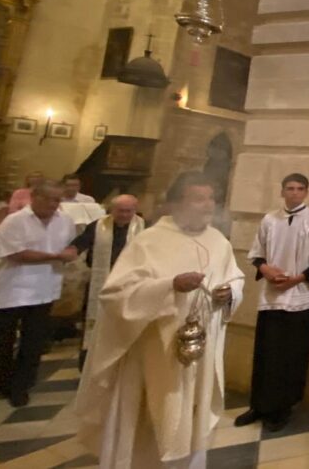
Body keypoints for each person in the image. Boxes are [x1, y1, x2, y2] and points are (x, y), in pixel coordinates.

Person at [76, 172, 243, 469]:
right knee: (151, 420)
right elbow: (115, 294)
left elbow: (235, 278)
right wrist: (170, 286)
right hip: (153, 350)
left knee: (191, 416)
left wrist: (230, 293)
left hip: (199, 351)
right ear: (176, 203)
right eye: (199, 198)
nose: (208, 205)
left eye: (211, 198)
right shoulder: (149, 241)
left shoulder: (219, 242)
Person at [234, 173, 309, 432]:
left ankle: (282, 409)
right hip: (272, 297)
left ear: (306, 192)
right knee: (265, 352)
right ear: (282, 192)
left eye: (299, 188)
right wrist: (266, 270)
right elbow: (257, 254)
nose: (294, 192)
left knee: (292, 355)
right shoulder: (269, 219)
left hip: (301, 298)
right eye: (290, 188)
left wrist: (294, 280)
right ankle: (258, 405)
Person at [0, 180, 77, 407]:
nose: (53, 204)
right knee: (3, 340)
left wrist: (69, 252)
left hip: (45, 289)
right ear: (34, 197)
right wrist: (56, 256)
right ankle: (1, 382)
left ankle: (21, 387)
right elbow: (16, 254)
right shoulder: (15, 221)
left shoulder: (65, 221)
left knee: (33, 342)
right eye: (49, 199)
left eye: (57, 200)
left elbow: (70, 246)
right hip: (12, 289)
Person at [72, 195, 144, 369]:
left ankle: (122, 365)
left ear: (135, 210)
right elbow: (80, 244)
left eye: (128, 211)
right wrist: (70, 251)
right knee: (95, 324)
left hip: (131, 284)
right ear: (112, 210)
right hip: (101, 282)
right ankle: (89, 367)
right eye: (120, 211)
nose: (124, 215)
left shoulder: (145, 228)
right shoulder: (97, 226)